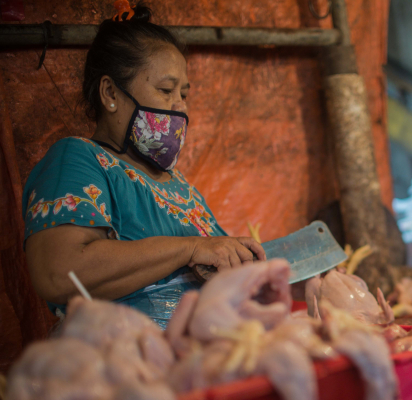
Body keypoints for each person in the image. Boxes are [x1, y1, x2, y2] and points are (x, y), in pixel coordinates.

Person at [23, 5, 265, 328]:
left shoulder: (182, 188)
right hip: (120, 365)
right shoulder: (78, 159)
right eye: (166, 90)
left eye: (184, 93)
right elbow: (58, 272)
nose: (180, 106)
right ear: (110, 93)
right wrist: (191, 248)